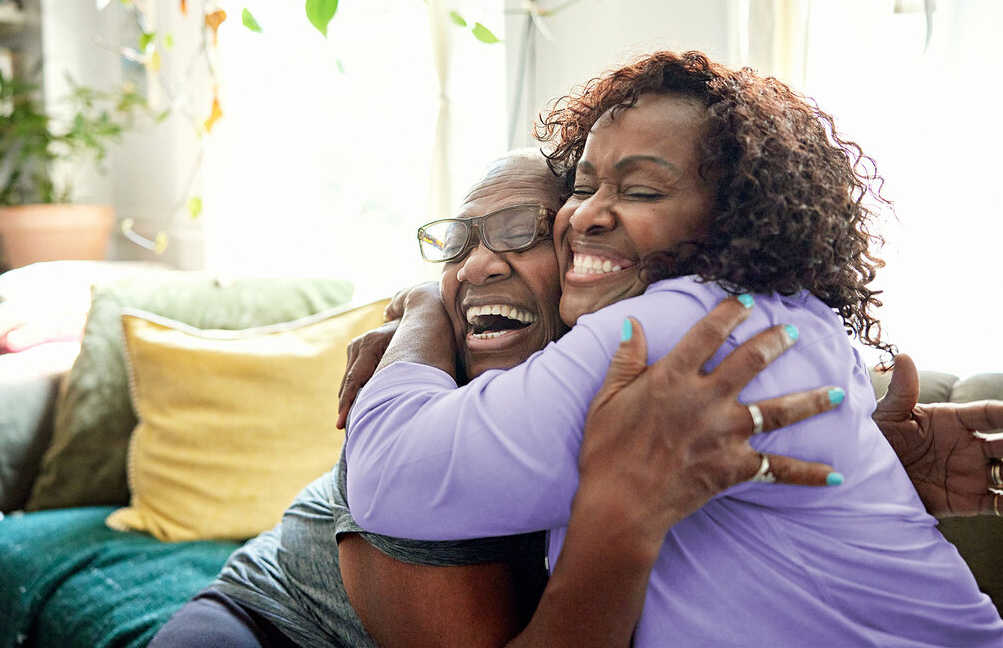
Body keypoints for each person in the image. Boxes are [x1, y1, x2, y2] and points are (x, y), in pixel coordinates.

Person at [344, 51, 1003, 645]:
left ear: (731, 219)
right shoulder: (789, 318)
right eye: (582, 186)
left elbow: (388, 476)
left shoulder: (670, 333)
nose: (586, 215)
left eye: (639, 191)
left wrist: (423, 306)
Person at [149, 150, 843, 647]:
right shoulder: (420, 431)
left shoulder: (659, 373)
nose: (477, 264)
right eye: (458, 246)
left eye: (521, 232)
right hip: (265, 626)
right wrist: (423, 308)